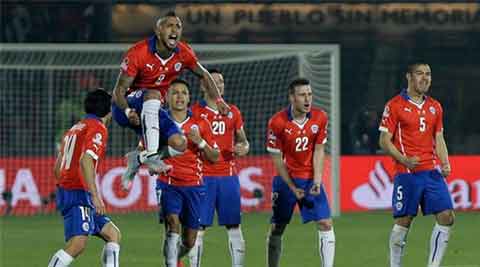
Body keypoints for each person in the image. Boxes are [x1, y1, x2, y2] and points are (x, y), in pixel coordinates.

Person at [112, 11, 228, 185]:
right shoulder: (139, 52)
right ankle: (151, 155)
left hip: (152, 107)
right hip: (126, 106)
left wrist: (219, 100)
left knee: (180, 143)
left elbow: (204, 74)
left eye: (178, 26)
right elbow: (118, 92)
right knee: (153, 94)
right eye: (169, 26)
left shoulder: (183, 52)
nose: (175, 30)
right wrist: (128, 111)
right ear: (158, 31)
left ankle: (138, 158)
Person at [378, 62, 454, 267]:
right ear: (409, 77)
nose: (425, 78)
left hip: (431, 172)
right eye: (420, 74)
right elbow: (384, 141)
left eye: (428, 74)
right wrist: (404, 160)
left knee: (447, 216)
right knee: (404, 221)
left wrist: (445, 162)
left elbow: (439, 137)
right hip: (407, 173)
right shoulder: (394, 105)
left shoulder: (435, 106)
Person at [47, 89, 121, 267]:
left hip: (70, 190)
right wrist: (95, 196)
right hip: (78, 191)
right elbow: (86, 160)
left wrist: (65, 188)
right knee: (78, 244)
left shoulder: (75, 128)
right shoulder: (98, 128)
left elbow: (58, 168)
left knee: (112, 233)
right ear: (108, 110)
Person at [265, 78, 335, 267]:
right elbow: (277, 160)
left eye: (310, 94)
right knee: (277, 228)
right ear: (292, 97)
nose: (307, 99)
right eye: (302, 95)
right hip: (286, 181)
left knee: (326, 224)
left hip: (310, 179)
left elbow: (319, 150)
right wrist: (292, 187)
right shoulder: (277, 122)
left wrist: (318, 180)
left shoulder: (320, 118)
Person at [188, 69, 249, 267]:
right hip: (202, 177)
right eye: (214, 82)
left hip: (228, 177)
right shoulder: (195, 112)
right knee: (198, 228)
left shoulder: (233, 111)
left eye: (221, 81)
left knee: (234, 227)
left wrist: (243, 148)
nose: (219, 85)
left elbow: (244, 141)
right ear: (204, 86)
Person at [158, 79, 219, 267]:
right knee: (172, 224)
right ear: (167, 97)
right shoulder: (159, 122)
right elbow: (145, 150)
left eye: (183, 92)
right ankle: (170, 263)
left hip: (194, 185)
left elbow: (215, 157)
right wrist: (154, 163)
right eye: (175, 92)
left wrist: (200, 142)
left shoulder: (200, 123)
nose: (179, 96)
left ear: (189, 97)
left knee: (190, 241)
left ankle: (174, 257)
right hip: (168, 183)